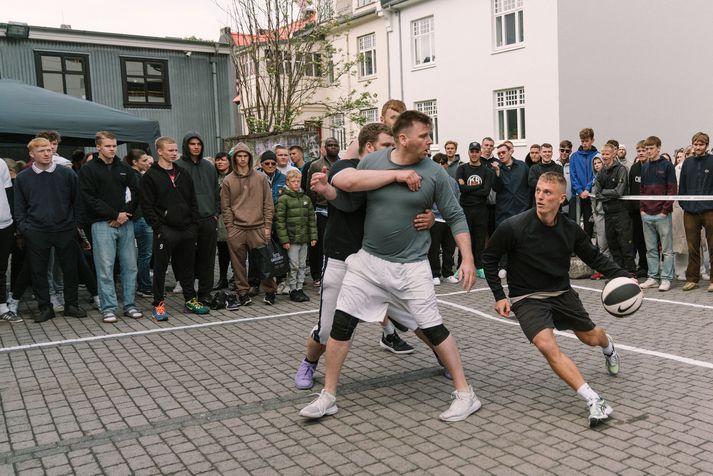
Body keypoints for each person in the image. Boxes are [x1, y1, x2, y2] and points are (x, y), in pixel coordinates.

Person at [299, 111, 481, 422]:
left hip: (411, 267)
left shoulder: (435, 174)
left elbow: (455, 216)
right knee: (341, 325)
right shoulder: (374, 161)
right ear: (403, 138)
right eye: (423, 135)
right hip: (368, 263)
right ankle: (328, 395)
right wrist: (330, 193)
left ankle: (466, 394)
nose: (429, 141)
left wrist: (467, 258)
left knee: (432, 328)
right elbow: (350, 198)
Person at [482, 171, 630, 428]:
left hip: (561, 293)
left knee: (591, 337)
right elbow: (490, 259)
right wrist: (499, 296)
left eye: (547, 192)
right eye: (538, 190)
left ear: (561, 199)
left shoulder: (570, 229)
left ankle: (609, 347)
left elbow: (594, 258)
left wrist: (625, 276)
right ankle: (594, 400)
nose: (540, 196)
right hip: (526, 297)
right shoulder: (513, 226)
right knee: (546, 345)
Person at [294, 123, 421, 391]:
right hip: (341, 257)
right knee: (327, 329)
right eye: (388, 145)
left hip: (379, 260)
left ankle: (445, 358)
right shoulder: (345, 166)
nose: (394, 150)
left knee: (420, 318)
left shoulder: (394, 171)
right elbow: (344, 189)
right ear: (370, 147)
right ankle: (309, 362)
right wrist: (327, 191)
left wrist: (429, 218)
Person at [14, 138, 86, 323]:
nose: (47, 153)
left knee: (70, 269)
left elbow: (77, 201)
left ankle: (71, 305)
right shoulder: (23, 177)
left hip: (65, 229)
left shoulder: (67, 174)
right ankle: (45, 308)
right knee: (38, 272)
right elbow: (19, 207)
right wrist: (25, 228)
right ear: (32, 154)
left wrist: (75, 225)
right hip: (36, 231)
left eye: (49, 150)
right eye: (41, 150)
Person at [78, 131, 142, 323]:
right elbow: (89, 199)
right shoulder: (88, 170)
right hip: (101, 224)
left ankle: (130, 305)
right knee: (105, 268)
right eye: (108, 146)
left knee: (130, 266)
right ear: (98, 147)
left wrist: (124, 214)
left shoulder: (123, 167)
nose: (112, 149)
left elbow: (137, 192)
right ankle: (108, 308)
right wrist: (114, 215)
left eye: (114, 146)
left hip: (125, 223)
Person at [140, 137, 207, 320]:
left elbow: (193, 200)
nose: (174, 153)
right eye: (169, 150)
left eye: (175, 150)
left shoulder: (183, 173)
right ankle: (159, 304)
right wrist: (159, 229)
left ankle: (190, 300)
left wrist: (193, 224)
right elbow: (147, 206)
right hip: (165, 230)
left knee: (187, 267)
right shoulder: (150, 176)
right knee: (160, 269)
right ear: (159, 152)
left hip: (186, 229)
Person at [222, 143, 278, 306]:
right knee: (238, 264)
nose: (242, 159)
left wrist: (267, 226)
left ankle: (270, 291)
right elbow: (225, 207)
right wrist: (230, 228)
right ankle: (243, 293)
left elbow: (268, 203)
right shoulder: (228, 180)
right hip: (237, 229)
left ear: (249, 157)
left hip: (258, 227)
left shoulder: (260, 178)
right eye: (239, 156)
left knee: (265, 262)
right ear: (234, 158)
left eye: (245, 156)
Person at [177, 132, 220, 306]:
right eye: (192, 144)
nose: (196, 147)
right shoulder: (177, 166)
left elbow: (217, 193)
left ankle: (205, 293)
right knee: (186, 259)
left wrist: (216, 213)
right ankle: (189, 295)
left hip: (208, 219)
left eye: (199, 144)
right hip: (187, 222)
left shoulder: (209, 167)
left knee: (208, 259)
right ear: (186, 146)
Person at [639, 136, 677, 292]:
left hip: (662, 214)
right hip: (646, 213)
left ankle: (666, 278)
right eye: (646, 148)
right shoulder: (644, 167)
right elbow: (641, 190)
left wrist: (664, 211)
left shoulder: (667, 166)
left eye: (651, 148)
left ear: (659, 148)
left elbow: (672, 189)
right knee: (651, 249)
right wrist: (641, 209)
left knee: (667, 250)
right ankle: (653, 277)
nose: (648, 151)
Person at [276, 170, 317, 302]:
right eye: (293, 181)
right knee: (293, 265)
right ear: (287, 182)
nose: (296, 184)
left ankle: (300, 287)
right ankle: (293, 288)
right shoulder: (283, 199)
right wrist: (284, 239)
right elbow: (280, 221)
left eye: (298, 181)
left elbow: (311, 219)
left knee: (302, 264)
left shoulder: (306, 199)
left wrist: (313, 237)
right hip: (292, 239)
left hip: (304, 238)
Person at [594, 144, 636, 274]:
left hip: (621, 212)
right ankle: (619, 272)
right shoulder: (601, 172)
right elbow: (597, 193)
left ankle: (631, 271)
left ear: (614, 154)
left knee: (625, 243)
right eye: (603, 154)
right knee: (612, 244)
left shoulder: (621, 169)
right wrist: (608, 194)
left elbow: (619, 192)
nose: (604, 157)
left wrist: (604, 193)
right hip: (608, 213)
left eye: (607, 154)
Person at [305, 138, 341, 287]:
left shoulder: (343, 163)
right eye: (330, 145)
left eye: (335, 145)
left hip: (338, 208)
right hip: (321, 209)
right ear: (324, 148)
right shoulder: (316, 165)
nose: (333, 147)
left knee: (337, 243)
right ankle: (316, 275)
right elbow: (310, 188)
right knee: (319, 244)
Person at [679, 132, 713, 291]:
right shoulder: (687, 163)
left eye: (701, 144)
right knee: (693, 246)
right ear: (692, 145)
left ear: (706, 146)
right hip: (690, 211)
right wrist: (684, 203)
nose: (698, 147)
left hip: (709, 210)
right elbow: (682, 186)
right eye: (696, 144)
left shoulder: (712, 161)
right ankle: (692, 278)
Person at [456, 141, 493, 280]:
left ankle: (479, 267)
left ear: (480, 152)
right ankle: (461, 266)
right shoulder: (462, 169)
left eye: (477, 151)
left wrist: (469, 188)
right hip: (465, 208)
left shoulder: (487, 171)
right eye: (472, 151)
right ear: (469, 152)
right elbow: (462, 189)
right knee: (465, 239)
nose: (474, 154)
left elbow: (485, 192)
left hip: (481, 209)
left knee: (479, 239)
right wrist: (479, 186)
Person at [124, 149, 153, 298]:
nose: (147, 163)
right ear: (134, 162)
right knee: (144, 254)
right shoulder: (135, 177)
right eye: (144, 161)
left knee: (139, 255)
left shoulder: (133, 175)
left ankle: (143, 285)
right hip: (140, 219)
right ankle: (145, 286)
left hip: (136, 218)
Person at [430, 153, 460, 284]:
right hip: (436, 219)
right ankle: (434, 274)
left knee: (449, 249)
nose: (441, 166)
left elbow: (457, 199)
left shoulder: (453, 182)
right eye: (438, 163)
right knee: (434, 249)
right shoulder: (431, 180)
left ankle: (448, 273)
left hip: (449, 220)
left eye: (443, 163)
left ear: (447, 165)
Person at [0, 157, 21, 323]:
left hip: (5, 224)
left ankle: (2, 308)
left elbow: (9, 193)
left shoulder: (1, 163)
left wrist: (13, 222)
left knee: (1, 269)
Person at [570, 128, 598, 238]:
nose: (584, 143)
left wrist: (587, 189)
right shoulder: (574, 156)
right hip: (577, 196)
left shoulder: (597, 156)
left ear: (592, 140)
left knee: (588, 226)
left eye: (586, 141)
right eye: (582, 141)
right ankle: (573, 250)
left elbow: (595, 175)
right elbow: (573, 175)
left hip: (590, 196)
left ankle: (588, 251)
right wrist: (580, 190)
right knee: (572, 224)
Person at [493, 142, 529, 227]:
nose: (501, 155)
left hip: (522, 209)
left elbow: (529, 185)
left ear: (510, 152)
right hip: (504, 211)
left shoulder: (522, 166)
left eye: (503, 152)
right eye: (499, 153)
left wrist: (527, 202)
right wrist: (497, 172)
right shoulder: (496, 168)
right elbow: (496, 188)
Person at [629, 140, 649, 278]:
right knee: (639, 240)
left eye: (643, 150)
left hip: (650, 210)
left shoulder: (652, 167)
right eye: (638, 151)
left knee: (651, 242)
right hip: (636, 210)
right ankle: (642, 266)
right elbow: (631, 188)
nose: (641, 153)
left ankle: (651, 267)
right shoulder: (634, 168)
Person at [213, 152, 232, 290]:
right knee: (222, 249)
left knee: (236, 250)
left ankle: (237, 278)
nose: (220, 162)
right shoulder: (213, 177)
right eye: (218, 160)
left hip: (233, 217)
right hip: (218, 217)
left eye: (223, 160)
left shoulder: (233, 177)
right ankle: (223, 278)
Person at [589, 155, 609, 280]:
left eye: (599, 162)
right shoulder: (593, 178)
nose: (597, 165)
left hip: (603, 213)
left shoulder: (604, 177)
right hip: (596, 214)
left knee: (603, 244)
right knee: (600, 243)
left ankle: (604, 269)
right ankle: (601, 269)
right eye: (595, 163)